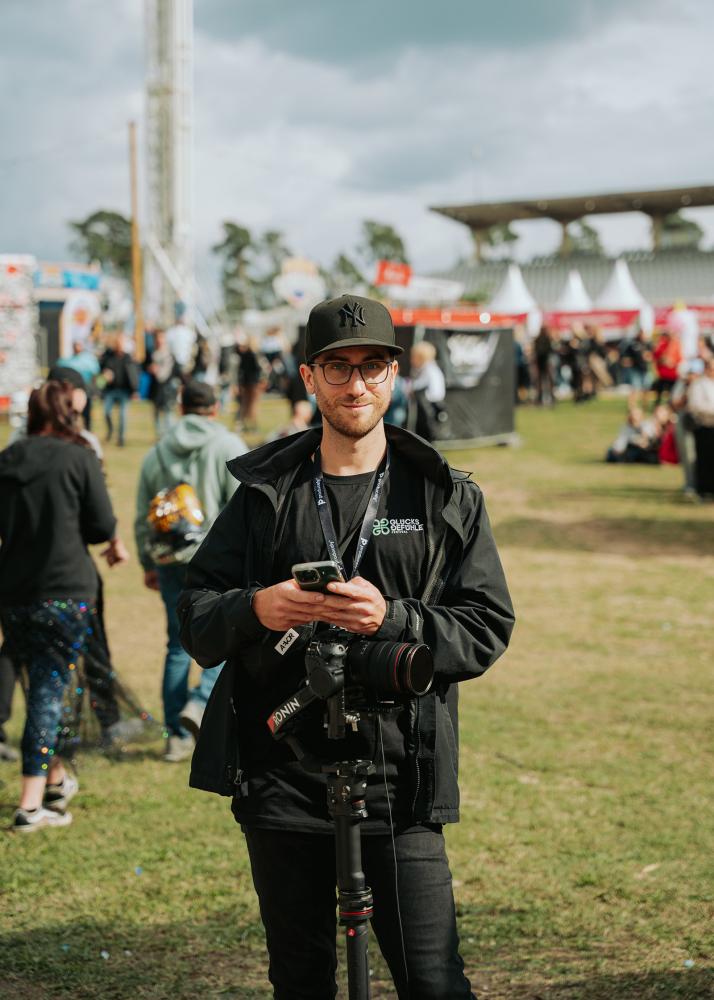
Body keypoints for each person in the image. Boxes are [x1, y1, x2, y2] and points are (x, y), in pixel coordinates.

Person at [177, 294, 515, 998]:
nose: (355, 384)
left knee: (433, 980)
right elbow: (196, 616)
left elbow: (485, 625)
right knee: (301, 981)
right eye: (337, 368)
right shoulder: (266, 492)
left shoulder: (441, 495)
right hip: (283, 769)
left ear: (394, 375)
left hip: (400, 778)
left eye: (371, 366)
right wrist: (257, 606)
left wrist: (393, 618)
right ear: (308, 377)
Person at [0, 381, 124, 831]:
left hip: (14, 592)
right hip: (65, 590)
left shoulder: (8, 459)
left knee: (40, 687)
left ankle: (54, 779)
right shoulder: (78, 457)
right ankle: (31, 804)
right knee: (49, 692)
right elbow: (101, 525)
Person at [134, 381, 248, 762]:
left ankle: (175, 735)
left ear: (181, 407)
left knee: (177, 645)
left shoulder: (157, 451)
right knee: (230, 639)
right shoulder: (229, 446)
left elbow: (140, 515)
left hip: (169, 561)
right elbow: (249, 507)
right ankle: (199, 705)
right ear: (215, 407)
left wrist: (146, 562)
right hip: (217, 564)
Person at [100, 334, 139, 446]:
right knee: (106, 412)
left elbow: (134, 375)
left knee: (122, 415)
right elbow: (101, 370)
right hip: (110, 390)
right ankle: (110, 431)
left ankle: (121, 439)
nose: (119, 345)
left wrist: (134, 390)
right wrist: (105, 374)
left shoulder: (128, 358)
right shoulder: (108, 356)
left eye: (121, 343)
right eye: (117, 343)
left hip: (124, 391)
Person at [56, 337, 100, 431]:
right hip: (72, 390)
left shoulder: (89, 360)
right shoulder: (67, 361)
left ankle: (87, 429)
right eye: (75, 345)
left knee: (86, 413)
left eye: (79, 345)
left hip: (86, 389)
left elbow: (95, 376)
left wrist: (95, 390)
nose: (77, 347)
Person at [686, 355, 714, 498]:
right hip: (704, 425)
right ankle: (703, 489)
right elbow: (695, 405)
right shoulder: (698, 384)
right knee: (704, 459)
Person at [409, 339, 447, 442]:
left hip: (430, 404)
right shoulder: (431, 368)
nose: (411, 360)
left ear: (421, 357)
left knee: (427, 430)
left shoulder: (428, 369)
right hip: (433, 403)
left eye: (414, 357)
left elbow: (418, 385)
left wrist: (408, 386)